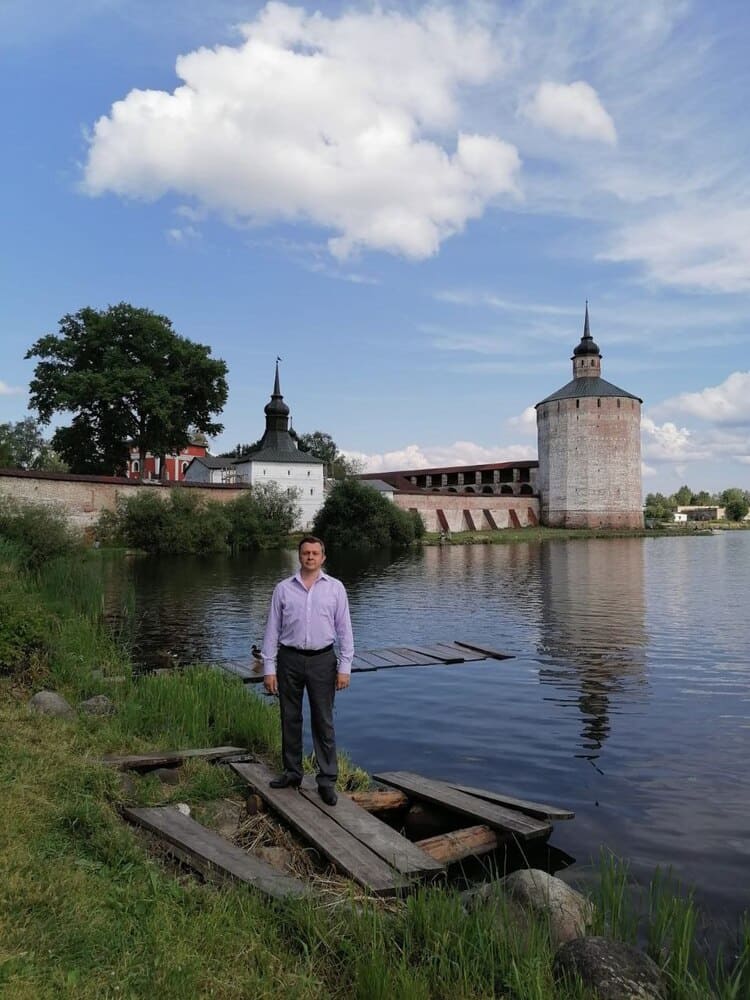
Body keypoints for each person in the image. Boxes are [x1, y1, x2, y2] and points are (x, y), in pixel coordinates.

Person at [261, 535, 354, 806]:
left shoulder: (335, 589)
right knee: (289, 717)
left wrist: (345, 667)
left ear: (323, 557)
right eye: (305, 553)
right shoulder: (283, 589)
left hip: (323, 660)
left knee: (323, 720)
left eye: (315, 553)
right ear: (299, 556)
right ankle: (292, 772)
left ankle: (326, 780)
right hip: (289, 659)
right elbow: (272, 630)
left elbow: (344, 630)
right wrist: (269, 668)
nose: (310, 557)